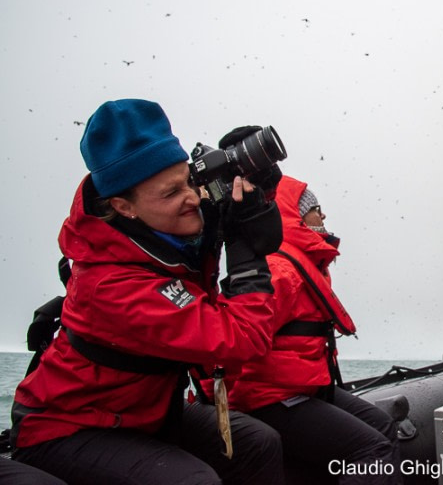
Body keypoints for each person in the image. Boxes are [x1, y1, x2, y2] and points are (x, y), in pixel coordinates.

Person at [10, 99, 285, 485]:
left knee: (259, 442)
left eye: (189, 181)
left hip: (145, 410)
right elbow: (242, 341)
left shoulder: (165, 239)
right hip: (70, 426)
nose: (192, 198)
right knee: (194, 481)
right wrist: (245, 253)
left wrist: (255, 203)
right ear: (124, 206)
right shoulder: (111, 285)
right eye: (171, 193)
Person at [222, 175, 401, 484]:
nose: (324, 215)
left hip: (302, 388)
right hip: (271, 397)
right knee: (373, 449)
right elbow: (237, 337)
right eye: (316, 208)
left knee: (383, 425)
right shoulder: (281, 271)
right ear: (294, 216)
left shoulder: (305, 264)